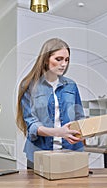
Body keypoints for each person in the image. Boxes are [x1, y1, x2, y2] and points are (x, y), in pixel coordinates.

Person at [16, 38, 85, 169]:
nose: (64, 64)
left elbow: (80, 116)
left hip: (71, 153)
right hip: (39, 154)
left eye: (67, 60)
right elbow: (32, 125)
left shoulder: (71, 86)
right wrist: (58, 132)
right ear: (46, 59)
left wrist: (88, 130)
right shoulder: (28, 86)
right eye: (59, 59)